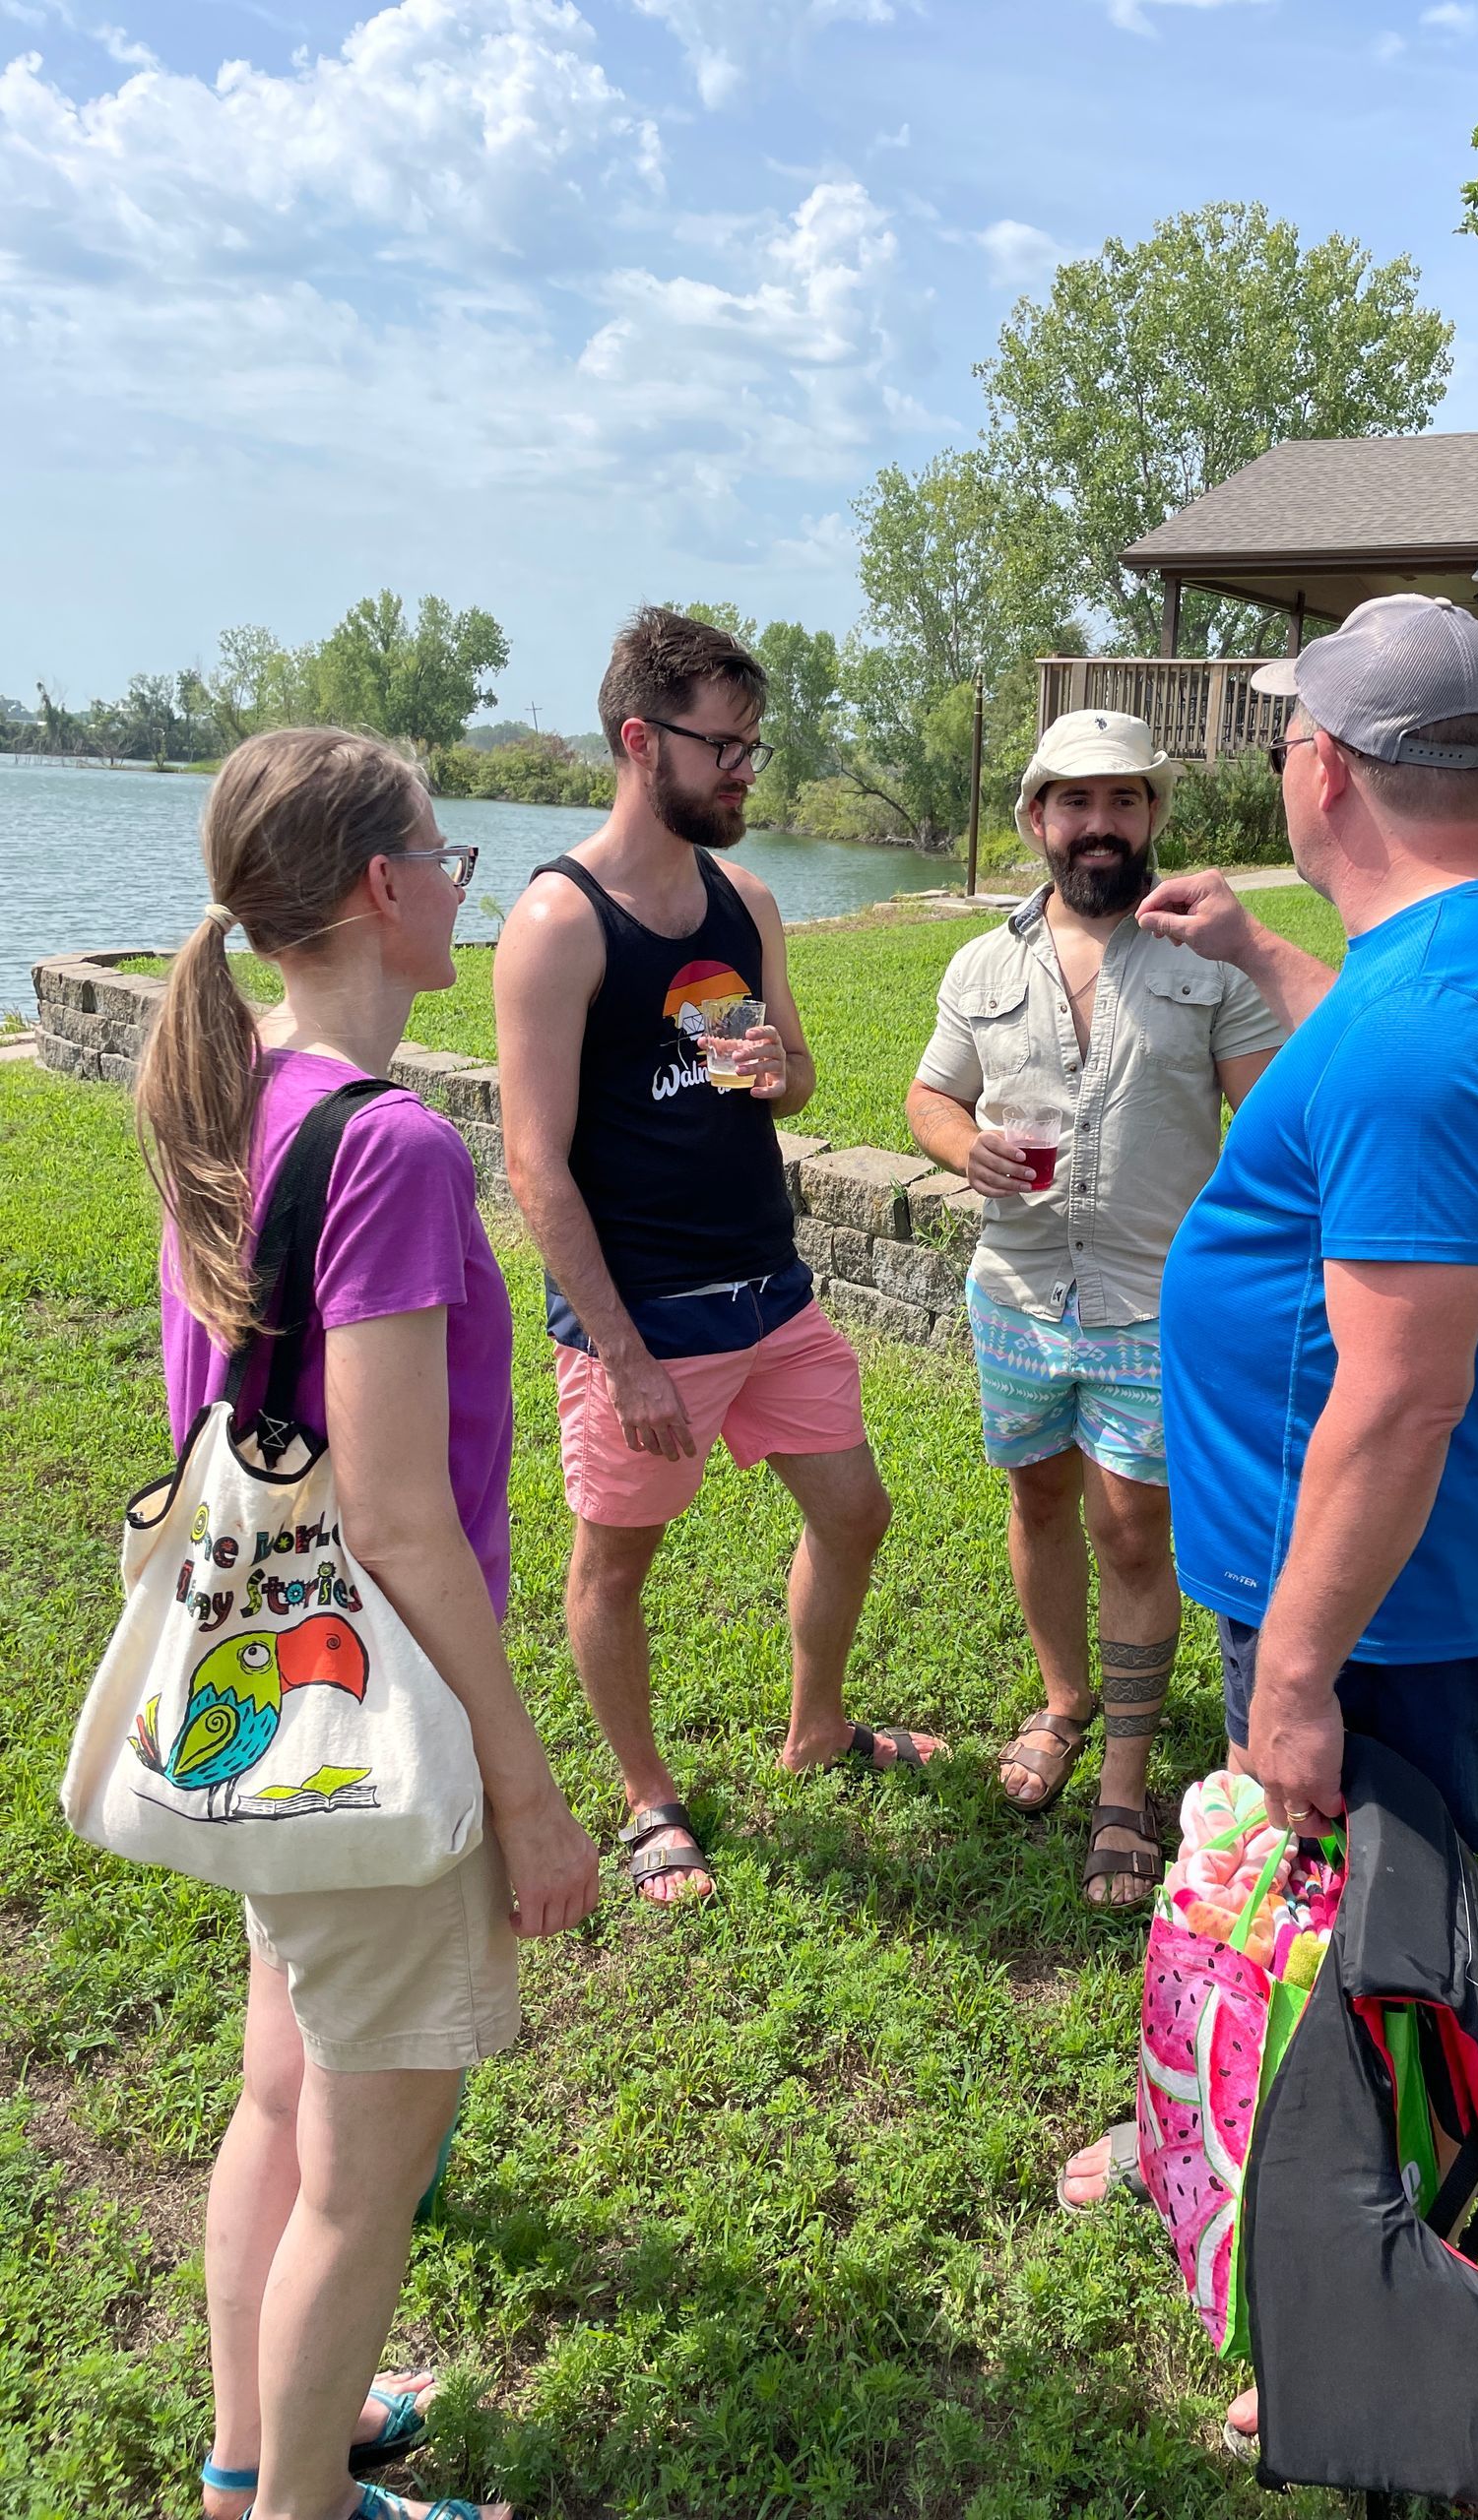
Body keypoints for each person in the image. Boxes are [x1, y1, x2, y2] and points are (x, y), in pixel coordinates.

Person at [1055, 596, 1478, 2448]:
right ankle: (1216, 2147)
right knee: (1304, 1921)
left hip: (1360, 1608)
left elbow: (1400, 1395)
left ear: (1323, 767)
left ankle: (1358, 2317)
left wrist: (1294, 1668)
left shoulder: (1422, 1037)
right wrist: (1281, 955)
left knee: (1370, 1955)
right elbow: (1376, 1058)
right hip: (1336, 1585)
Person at [139, 727, 601, 2520]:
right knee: (363, 2170)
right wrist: (532, 1789)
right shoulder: (391, 1145)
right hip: (373, 1703)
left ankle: (255, 2451)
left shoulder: (234, 1079)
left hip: (262, 1684)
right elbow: (401, 1515)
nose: (460, 883)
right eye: (445, 850)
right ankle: (301, 2509)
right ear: (382, 890)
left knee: (279, 2093)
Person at [494, 607, 940, 1907]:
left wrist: (766, 1068)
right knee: (613, 1569)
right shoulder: (557, 923)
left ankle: (816, 1727)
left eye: (754, 744)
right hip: (647, 1321)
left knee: (856, 1513)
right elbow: (536, 1167)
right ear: (641, 741)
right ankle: (648, 1802)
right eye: (725, 748)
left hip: (770, 1296)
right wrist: (621, 1357)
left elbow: (787, 1079)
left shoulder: (740, 900)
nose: (748, 769)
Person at [906, 711, 1280, 1904]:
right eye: (1076, 802)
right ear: (1037, 821)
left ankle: (1124, 1782)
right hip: (1015, 1290)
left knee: (1131, 1528)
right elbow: (930, 1093)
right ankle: (1066, 1699)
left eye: (1123, 802)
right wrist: (965, 1149)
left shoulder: (1205, 956)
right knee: (1038, 1498)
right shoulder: (983, 963)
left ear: (1153, 819)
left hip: (1150, 1301)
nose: (1100, 825)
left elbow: (1267, 1122)